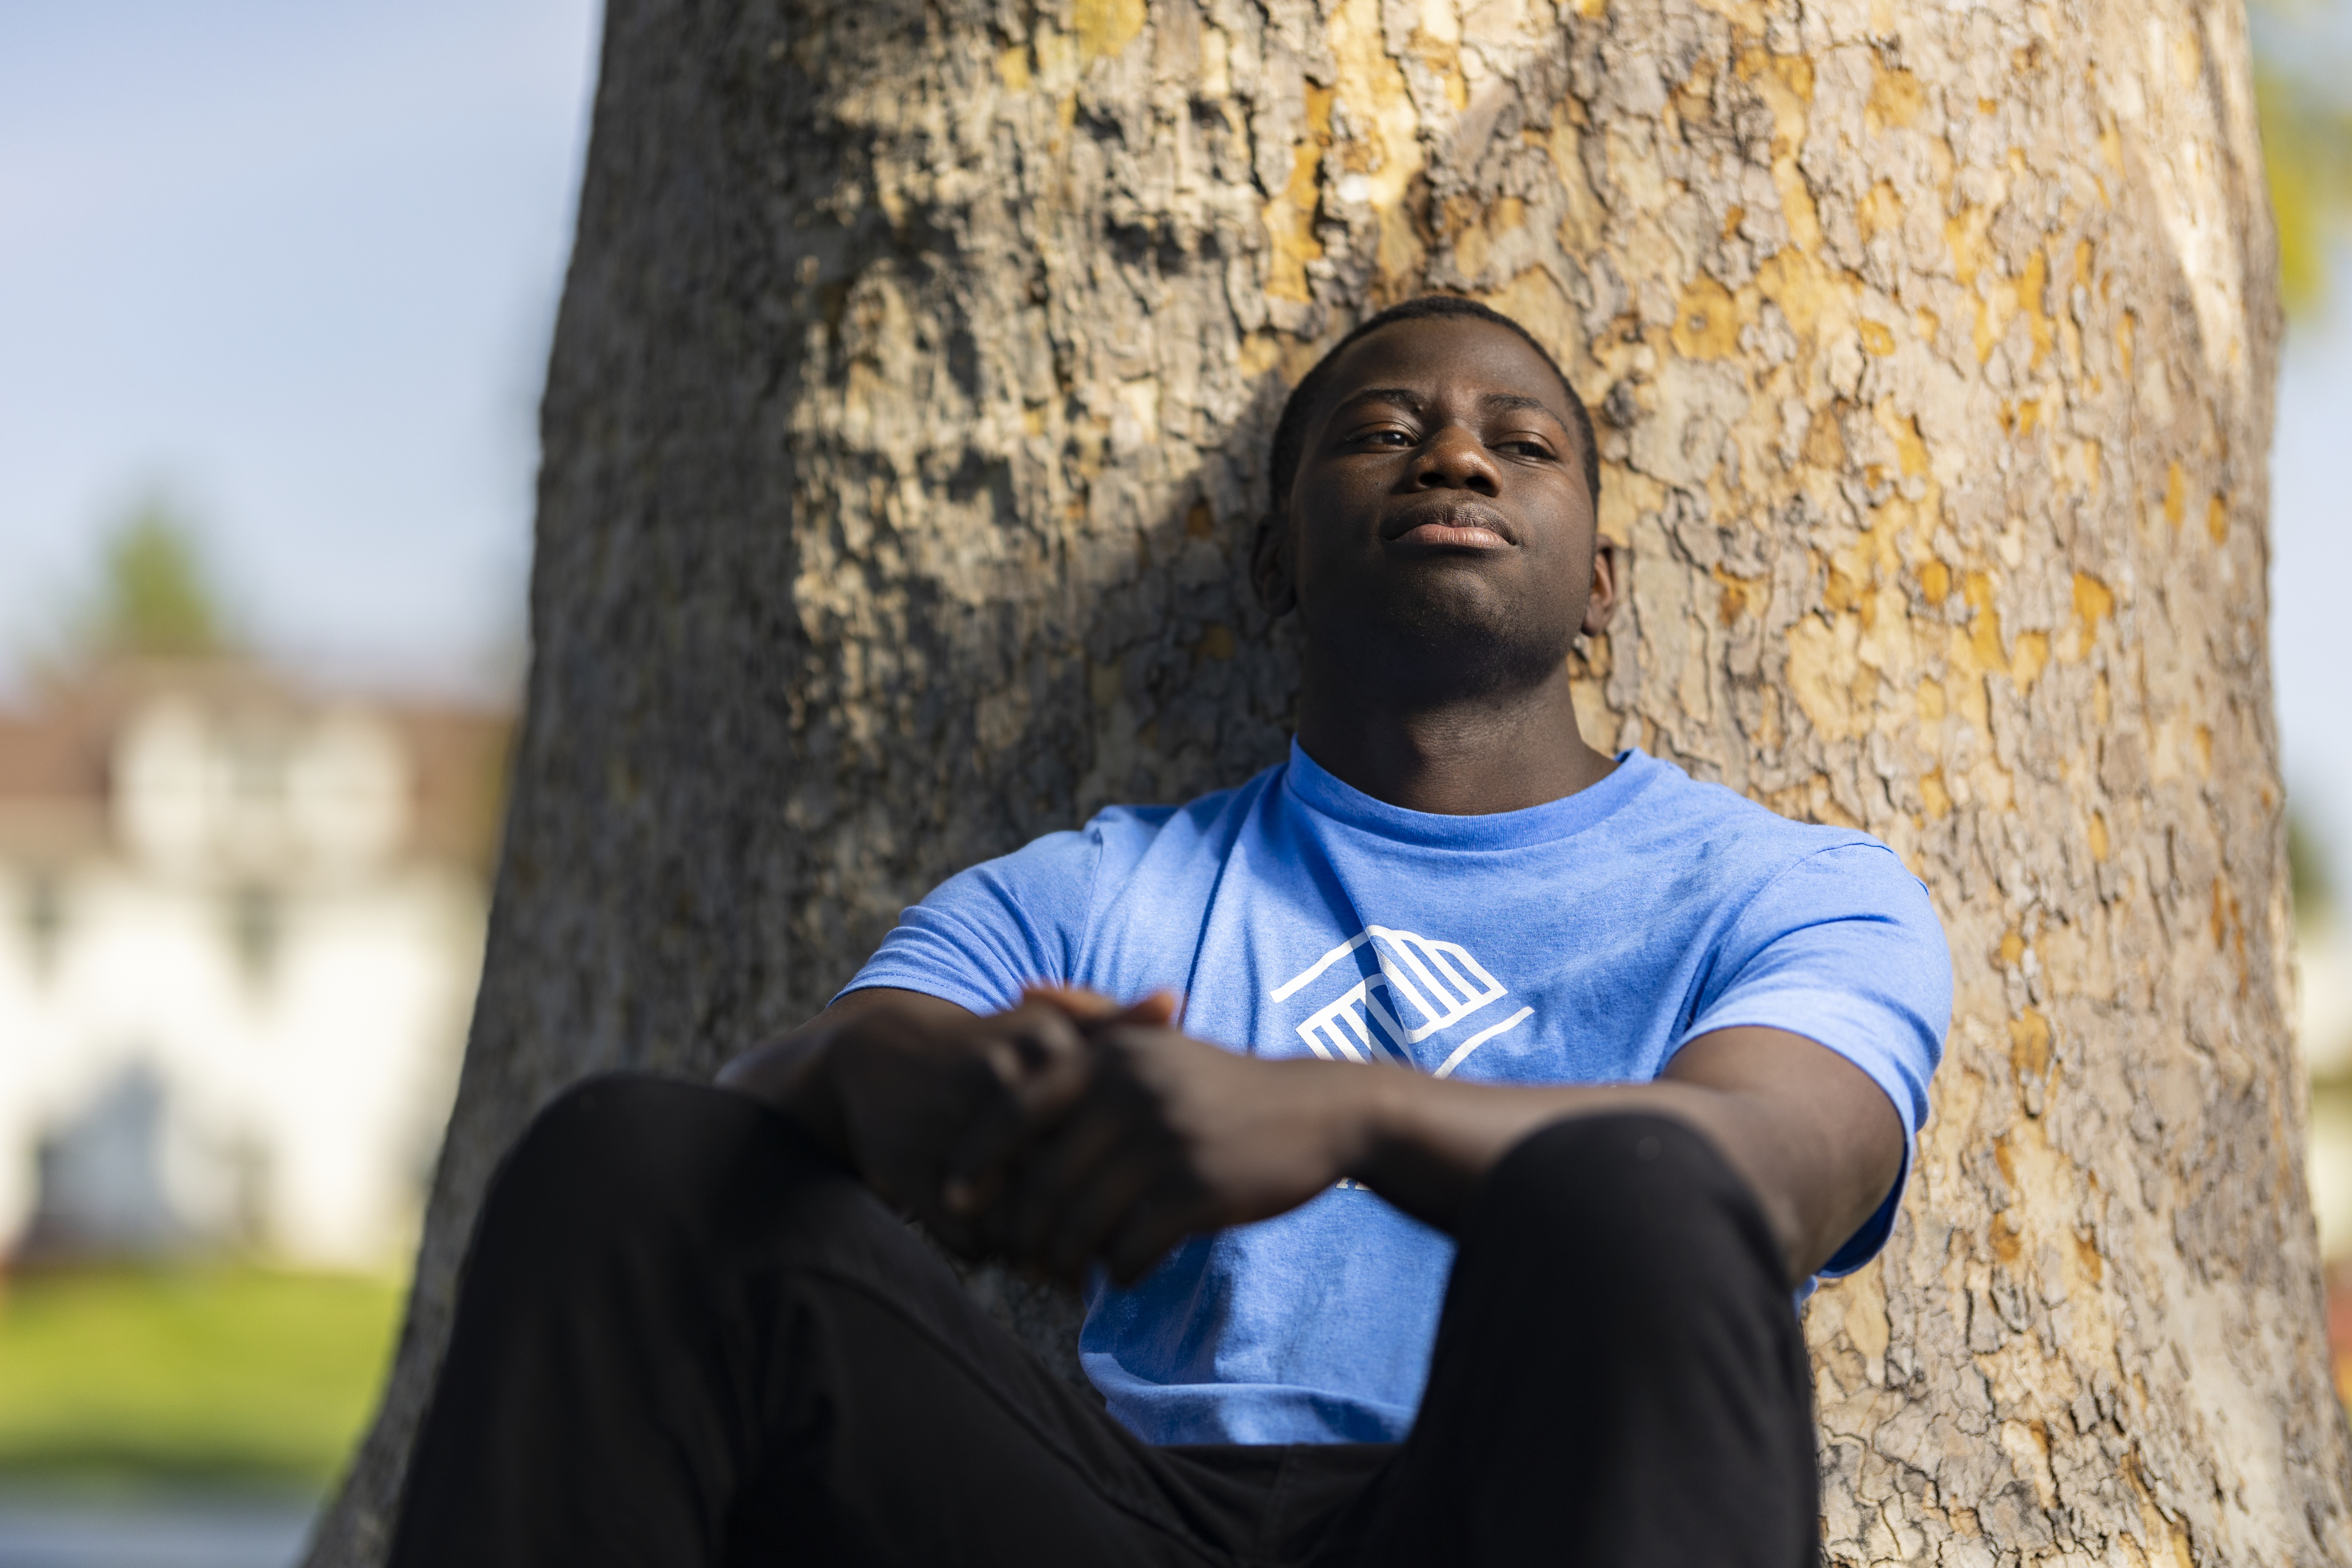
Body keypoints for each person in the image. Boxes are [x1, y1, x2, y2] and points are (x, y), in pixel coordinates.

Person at [387, 296, 1951, 1568]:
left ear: (1600, 584)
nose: (1456, 459)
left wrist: (1339, 1116)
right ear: (1277, 562)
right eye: (1384, 433)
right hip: (1120, 1513)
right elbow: (800, 1087)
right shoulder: (1101, 892)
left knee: (1645, 1196)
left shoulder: (1793, 889)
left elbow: (1758, 1183)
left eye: (1522, 443)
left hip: (1524, 1509)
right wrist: (956, 1094)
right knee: (630, 1160)